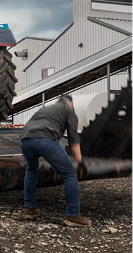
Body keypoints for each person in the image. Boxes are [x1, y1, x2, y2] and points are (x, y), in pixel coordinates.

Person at [20, 94, 91, 227]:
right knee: (70, 173)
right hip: (45, 139)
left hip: (25, 140)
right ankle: (73, 215)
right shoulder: (69, 111)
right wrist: (80, 161)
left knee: (31, 170)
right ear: (70, 103)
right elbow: (73, 139)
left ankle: (29, 209)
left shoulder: (45, 109)